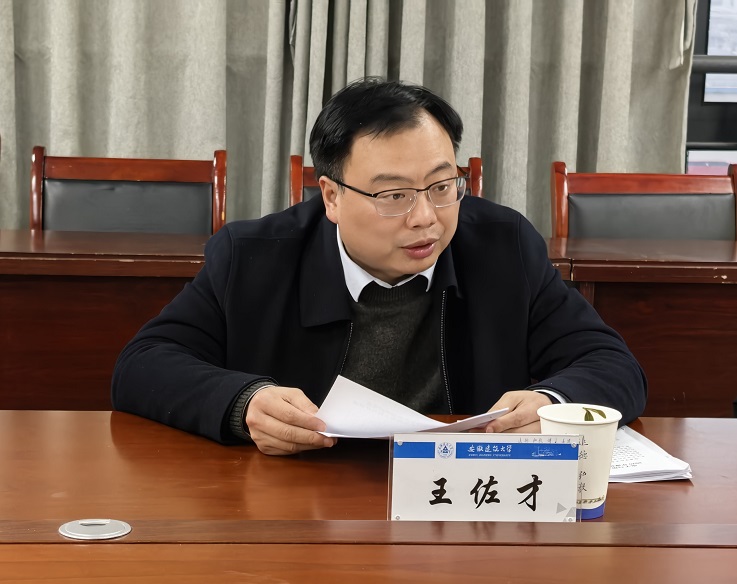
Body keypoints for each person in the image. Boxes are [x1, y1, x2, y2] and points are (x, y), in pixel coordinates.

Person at [112, 77, 647, 455]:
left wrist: (552, 404)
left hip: (456, 510)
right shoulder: (253, 256)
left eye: (442, 186)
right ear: (332, 196)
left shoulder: (502, 246)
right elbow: (143, 365)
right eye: (394, 195)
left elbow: (612, 364)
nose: (426, 218)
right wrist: (243, 403)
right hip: (303, 507)